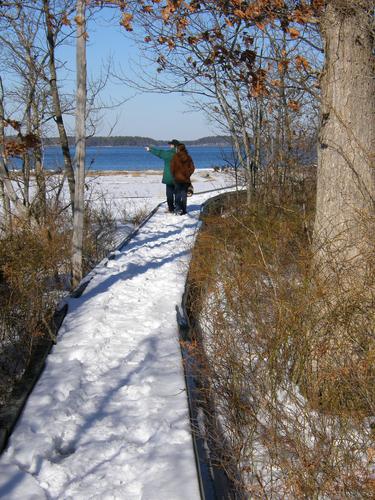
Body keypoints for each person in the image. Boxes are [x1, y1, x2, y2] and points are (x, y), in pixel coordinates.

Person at [145, 140, 180, 212]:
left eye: (171, 145)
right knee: (178, 194)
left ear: (173, 145)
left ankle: (171, 209)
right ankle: (178, 208)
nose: (170, 146)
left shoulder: (168, 154)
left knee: (169, 194)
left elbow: (159, 153)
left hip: (169, 178)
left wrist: (150, 149)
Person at [170, 143, 195, 215]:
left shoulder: (175, 157)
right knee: (184, 194)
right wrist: (188, 174)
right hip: (185, 179)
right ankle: (184, 209)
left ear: (178, 149)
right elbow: (192, 168)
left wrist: (174, 175)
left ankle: (177, 209)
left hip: (177, 179)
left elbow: (172, 168)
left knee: (177, 194)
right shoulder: (188, 157)